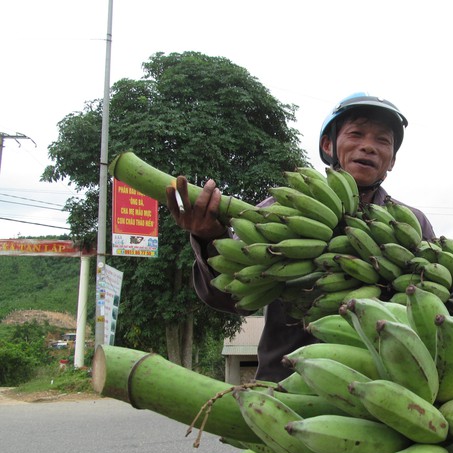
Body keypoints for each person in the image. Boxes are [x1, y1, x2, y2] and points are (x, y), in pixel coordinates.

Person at [166, 93, 436, 381]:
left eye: (383, 140)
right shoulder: (283, 213)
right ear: (328, 144)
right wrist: (210, 238)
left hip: (386, 384)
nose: (368, 146)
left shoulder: (411, 224)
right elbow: (230, 297)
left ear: (392, 159)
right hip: (288, 385)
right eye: (356, 134)